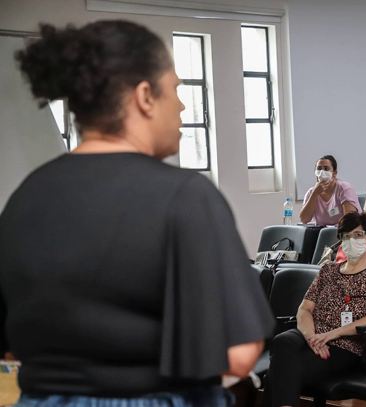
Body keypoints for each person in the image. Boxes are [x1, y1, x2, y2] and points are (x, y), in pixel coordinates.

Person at [0, 20, 273, 406]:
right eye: (176, 90)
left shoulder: (24, 197)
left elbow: (12, 347)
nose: (180, 106)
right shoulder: (185, 196)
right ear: (145, 96)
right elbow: (239, 354)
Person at [265, 212, 366, 406]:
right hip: (311, 336)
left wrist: (331, 335)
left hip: (345, 345)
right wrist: (313, 339)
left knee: (280, 371)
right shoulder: (328, 270)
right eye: (346, 236)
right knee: (282, 341)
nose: (351, 241)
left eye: (358, 235)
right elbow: (304, 309)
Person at [300, 155, 361, 226]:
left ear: (334, 173)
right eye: (319, 169)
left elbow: (350, 220)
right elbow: (304, 219)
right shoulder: (311, 192)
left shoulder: (344, 188)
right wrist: (315, 193)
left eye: (326, 169)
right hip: (322, 233)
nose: (322, 172)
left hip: (345, 232)